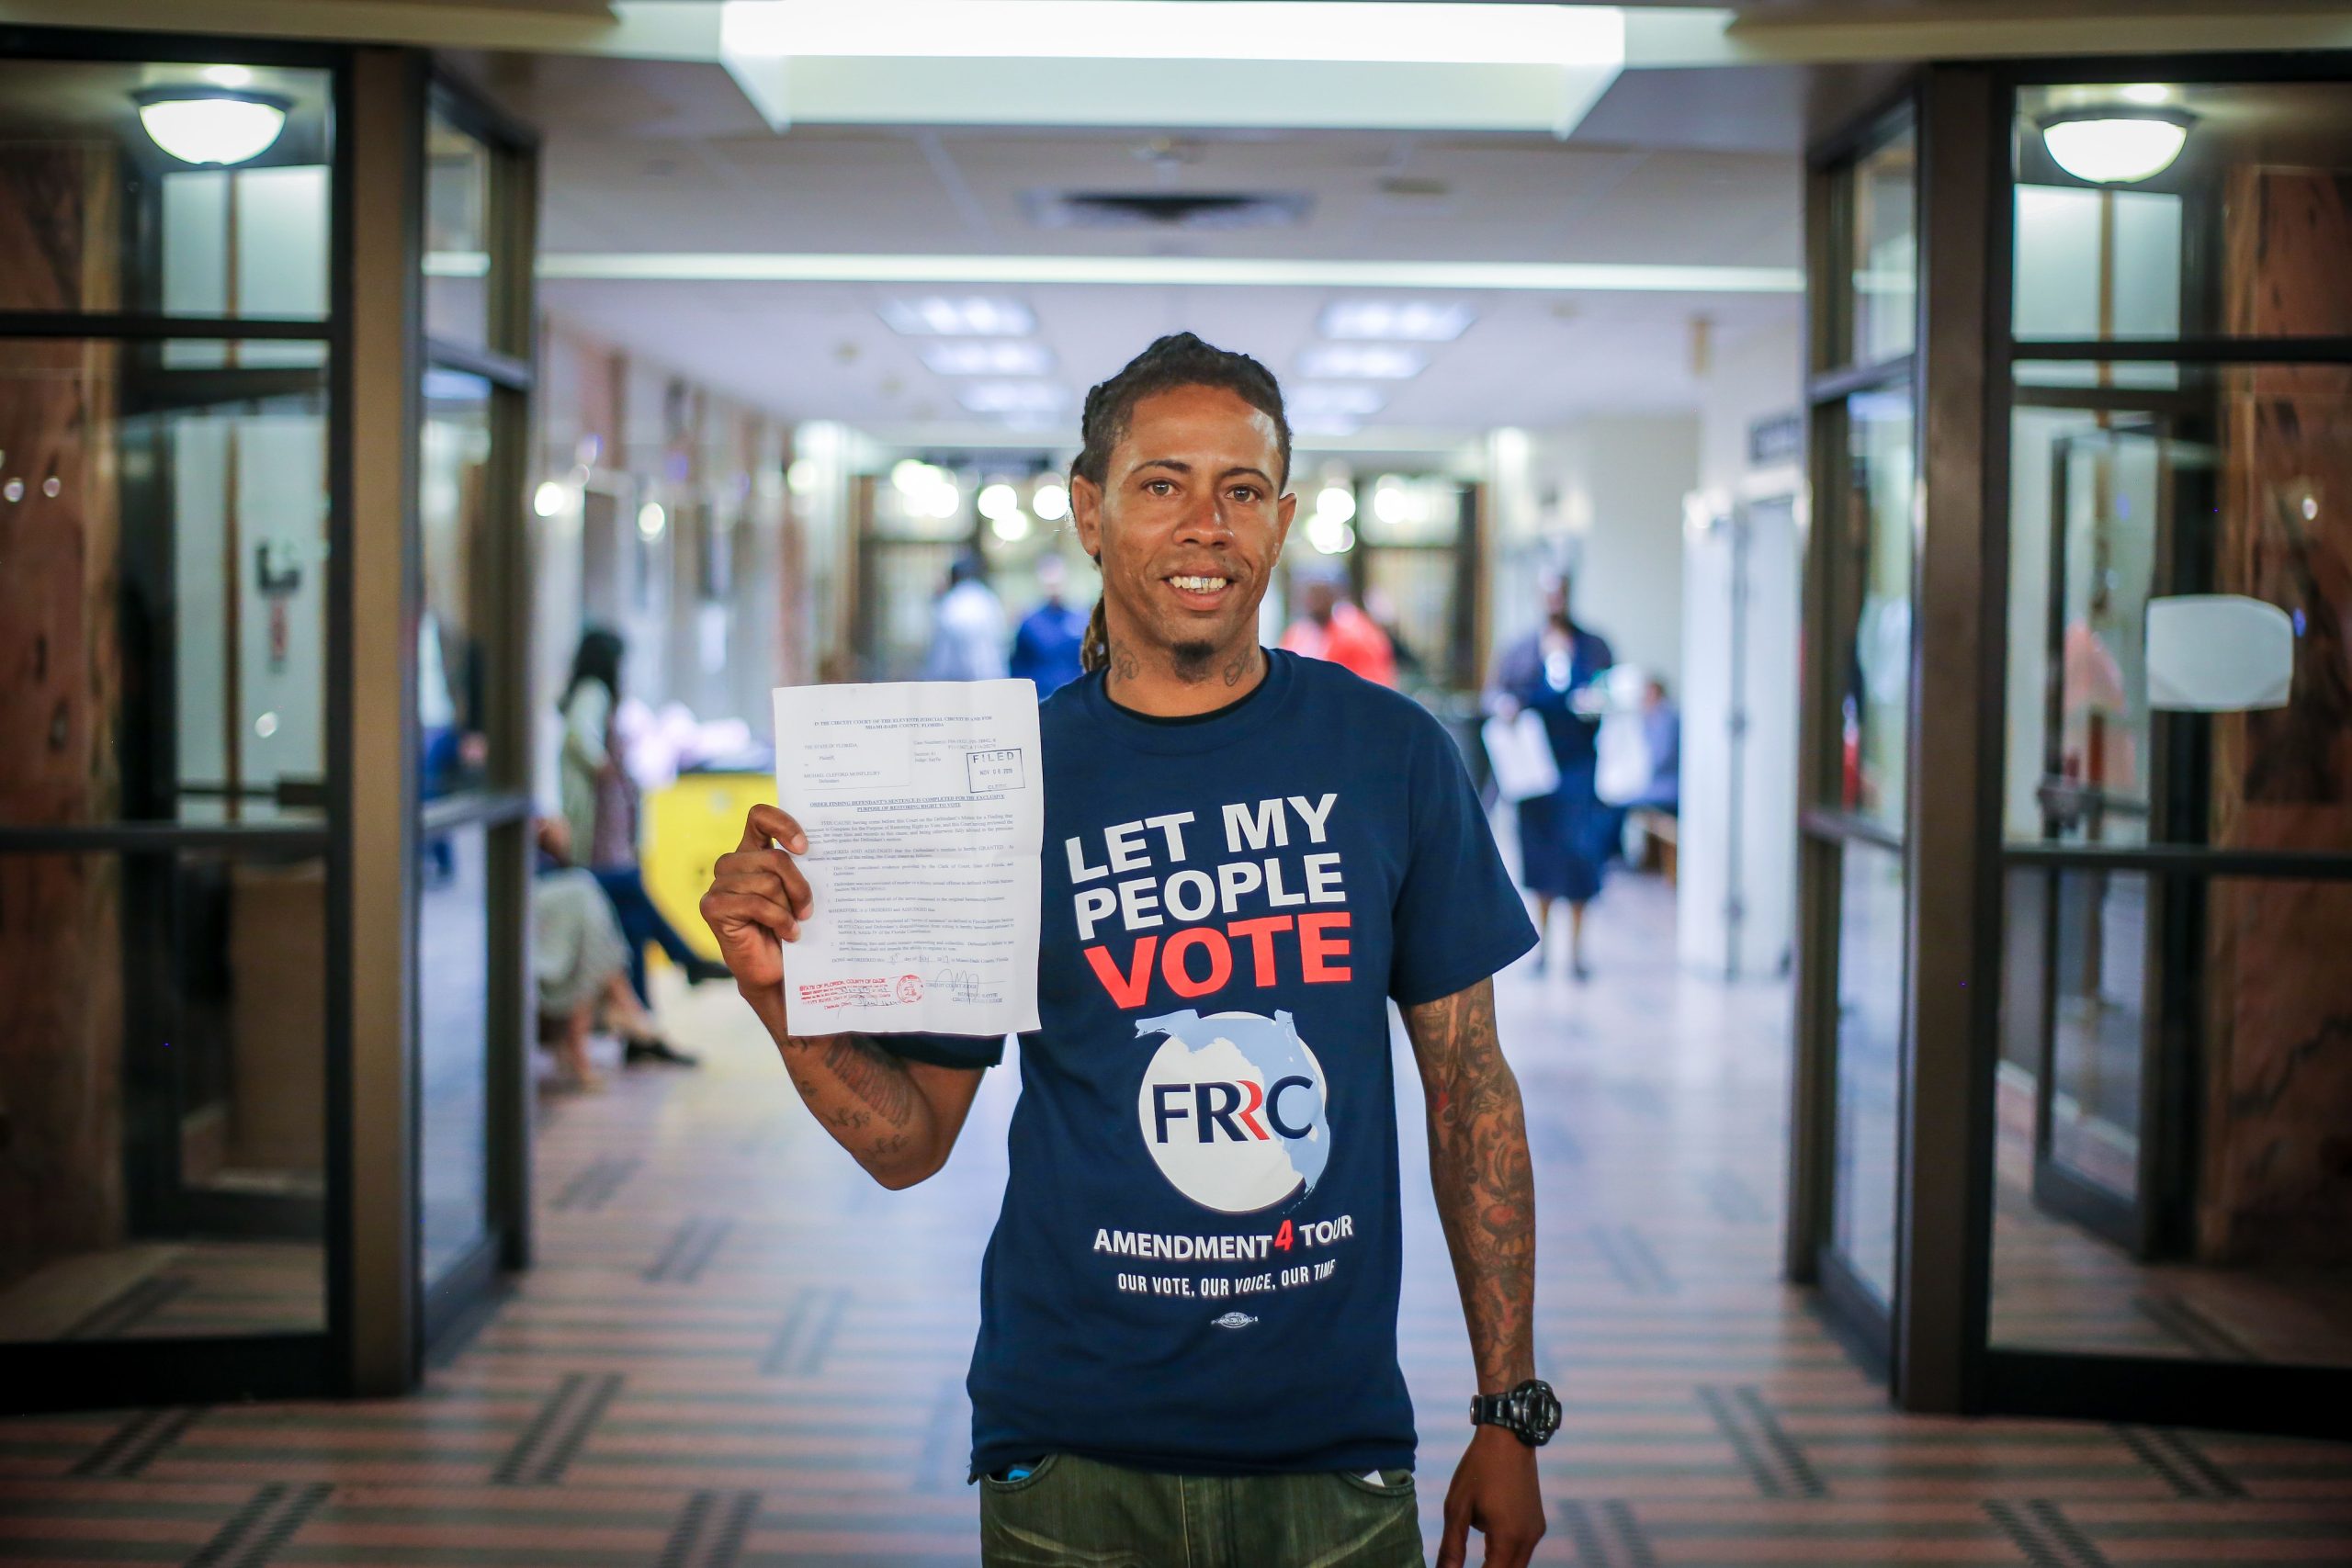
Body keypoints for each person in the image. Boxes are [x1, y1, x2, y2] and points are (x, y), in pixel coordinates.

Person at [702, 333, 1555, 1568]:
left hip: (1330, 1448)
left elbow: (1471, 1085)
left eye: (1242, 490)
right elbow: (908, 1140)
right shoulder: (1002, 783)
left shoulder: (1393, 753)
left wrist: (1508, 1408)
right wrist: (786, 1002)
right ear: (1090, 511)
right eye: (1163, 484)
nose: (1206, 523)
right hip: (1072, 1454)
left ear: (1284, 518)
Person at [556, 628, 727, 1042]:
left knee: (631, 921)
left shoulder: (588, 692)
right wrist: (605, 768)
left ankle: (644, 1026)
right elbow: (580, 738)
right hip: (597, 828)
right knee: (628, 890)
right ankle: (683, 958)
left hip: (607, 826)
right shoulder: (594, 691)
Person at [1487, 572, 1614, 979]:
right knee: (1539, 855)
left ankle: (1576, 951)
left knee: (1580, 854)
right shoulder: (1521, 648)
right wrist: (1506, 708)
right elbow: (1496, 693)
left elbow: (1610, 691)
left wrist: (1596, 701)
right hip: (1534, 768)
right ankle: (1543, 948)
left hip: (1578, 764)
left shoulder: (1593, 646)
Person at [532, 820, 702, 1089]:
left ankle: (625, 1007)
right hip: (543, 890)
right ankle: (630, 1005)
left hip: (555, 883)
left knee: (630, 922)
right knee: (602, 894)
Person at [1280, 570, 1398, 687]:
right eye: (1310, 595)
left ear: (1334, 595)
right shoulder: (1298, 633)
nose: (1313, 602)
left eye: (1320, 594)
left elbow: (1376, 685)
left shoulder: (1358, 634)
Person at [1007, 553, 1090, 695]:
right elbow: (1018, 667)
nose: (1054, 586)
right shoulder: (1030, 623)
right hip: (1041, 700)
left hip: (1075, 699)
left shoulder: (1081, 618)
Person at [922, 553, 1011, 681]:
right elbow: (1002, 640)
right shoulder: (989, 600)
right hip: (991, 678)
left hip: (957, 683)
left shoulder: (951, 603)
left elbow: (942, 655)